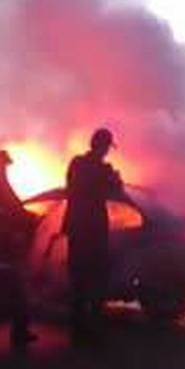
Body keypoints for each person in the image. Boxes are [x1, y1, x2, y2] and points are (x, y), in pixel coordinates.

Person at [62, 127, 131, 344]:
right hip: (93, 230)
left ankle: (77, 330)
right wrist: (115, 177)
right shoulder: (104, 170)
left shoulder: (76, 163)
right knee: (96, 280)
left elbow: (69, 187)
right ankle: (93, 329)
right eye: (107, 147)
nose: (107, 151)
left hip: (76, 228)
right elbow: (117, 191)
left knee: (78, 281)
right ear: (103, 147)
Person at [0, 150, 37, 348]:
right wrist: (29, 219)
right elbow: (13, 211)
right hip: (3, 249)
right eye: (4, 166)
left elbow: (12, 211)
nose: (6, 170)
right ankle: (19, 334)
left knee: (16, 291)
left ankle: (19, 332)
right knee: (20, 292)